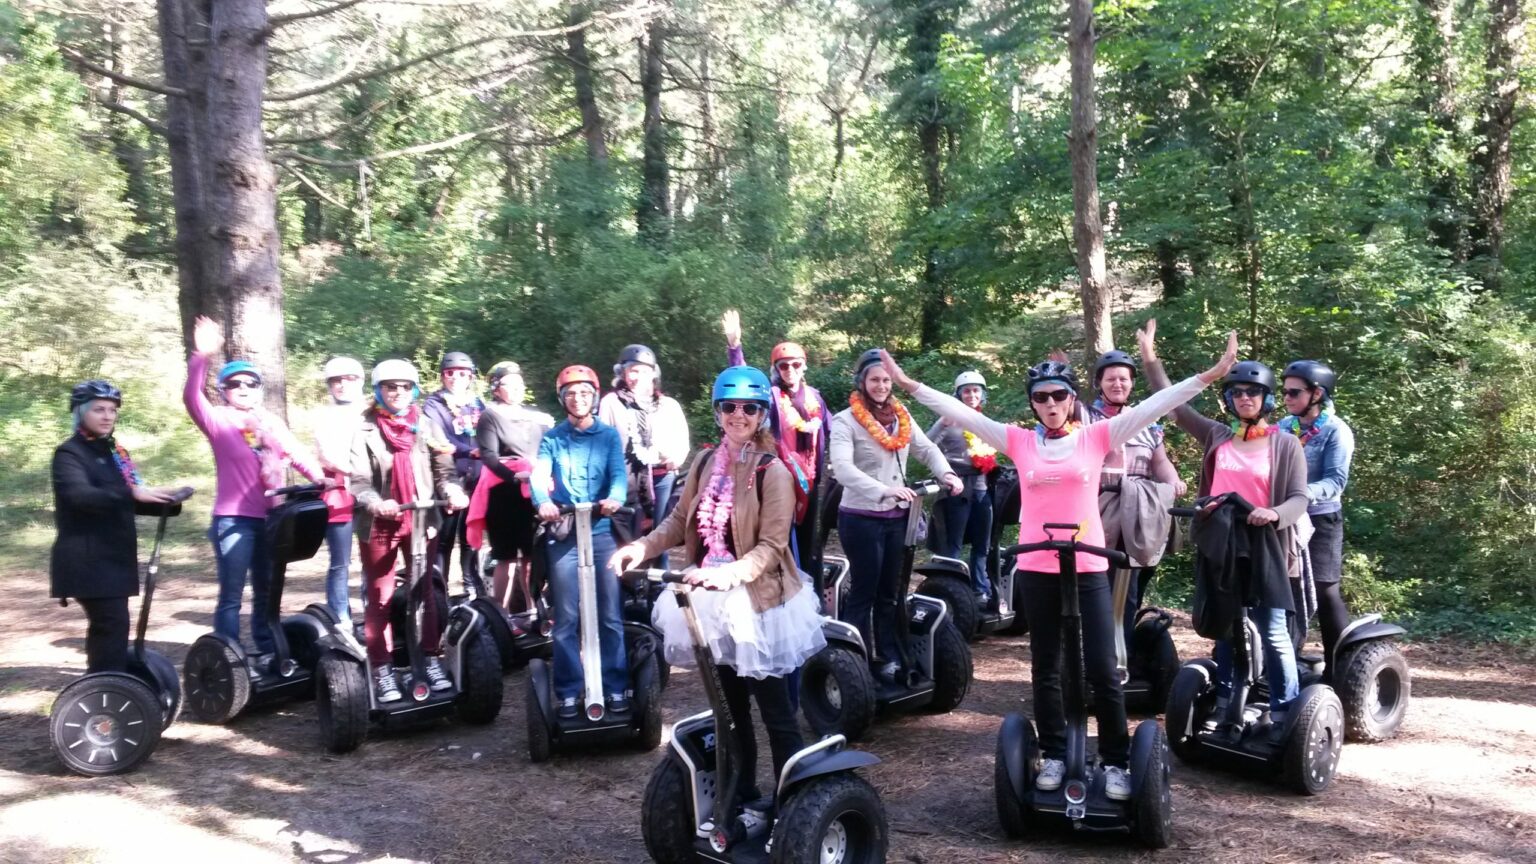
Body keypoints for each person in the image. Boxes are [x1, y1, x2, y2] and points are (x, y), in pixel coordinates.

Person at [879, 329, 1238, 802]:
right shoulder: (1022, 442)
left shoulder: (1096, 437)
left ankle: (1113, 758)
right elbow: (960, 412)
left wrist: (1208, 376)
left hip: (1088, 566)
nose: (1050, 404)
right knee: (1046, 667)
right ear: (1033, 404)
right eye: (1041, 398)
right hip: (1037, 568)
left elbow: (1156, 405)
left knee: (1105, 669)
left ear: (1071, 400)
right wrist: (909, 385)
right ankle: (1051, 752)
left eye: (1058, 396)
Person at [611, 366, 826, 806]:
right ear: (718, 411)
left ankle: (795, 802)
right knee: (729, 712)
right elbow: (677, 520)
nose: (738, 415)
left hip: (760, 604)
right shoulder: (707, 462)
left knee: (777, 713)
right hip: (710, 600)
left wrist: (729, 573)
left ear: (762, 414)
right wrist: (641, 546)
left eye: (749, 408)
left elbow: (771, 546)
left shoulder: (773, 472)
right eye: (729, 407)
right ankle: (741, 793)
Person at [1138, 320, 1308, 730]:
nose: (1244, 397)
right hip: (1222, 545)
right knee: (1226, 628)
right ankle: (1228, 698)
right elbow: (1174, 406)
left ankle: (1286, 709)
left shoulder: (1285, 443)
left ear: (1266, 399)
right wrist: (1150, 360)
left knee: (1272, 630)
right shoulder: (1217, 436)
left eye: (1252, 392)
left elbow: (1300, 499)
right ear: (1228, 400)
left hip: (1266, 544)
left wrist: (1274, 513)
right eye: (1236, 392)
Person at [184, 316, 327, 666]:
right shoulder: (218, 422)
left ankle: (266, 649)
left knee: (267, 591)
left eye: (251, 382)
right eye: (234, 383)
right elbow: (190, 398)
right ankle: (227, 658)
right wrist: (201, 357)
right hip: (233, 521)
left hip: (273, 519)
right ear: (224, 391)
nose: (244, 387)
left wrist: (323, 477)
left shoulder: (270, 424)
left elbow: (296, 453)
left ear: (260, 389)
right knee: (232, 596)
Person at [829, 349, 963, 682]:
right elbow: (843, 469)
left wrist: (946, 474)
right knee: (865, 590)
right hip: (861, 516)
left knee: (892, 591)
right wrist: (883, 490)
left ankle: (888, 656)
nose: (881, 385)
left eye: (886, 379)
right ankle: (856, 662)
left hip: (898, 517)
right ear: (862, 382)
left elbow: (926, 448)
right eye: (874, 379)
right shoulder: (845, 420)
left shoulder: (900, 414)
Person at [349, 359, 470, 703]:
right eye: (390, 387)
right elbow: (357, 480)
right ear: (379, 391)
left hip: (420, 519)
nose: (398, 393)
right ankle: (383, 667)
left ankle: (430, 658)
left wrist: (451, 491)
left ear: (414, 390)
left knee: (425, 591)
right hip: (382, 522)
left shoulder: (426, 424)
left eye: (404, 387)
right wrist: (374, 502)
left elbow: (443, 468)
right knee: (381, 597)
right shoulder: (365, 428)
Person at [51, 381, 182, 673]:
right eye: (99, 409)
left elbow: (127, 497)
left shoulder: (115, 452)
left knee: (112, 626)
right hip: (86, 559)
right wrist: (132, 494)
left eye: (112, 410)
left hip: (113, 558)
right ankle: (104, 693)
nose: (108, 416)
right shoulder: (69, 454)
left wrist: (164, 501)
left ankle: (109, 685)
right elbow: (80, 497)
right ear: (80, 412)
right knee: (110, 624)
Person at [532, 365, 628, 719]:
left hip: (600, 532)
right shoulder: (553, 438)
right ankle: (569, 690)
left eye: (585, 392)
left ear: (595, 396)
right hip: (565, 530)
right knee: (567, 617)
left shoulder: (608, 436)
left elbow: (618, 474)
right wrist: (542, 500)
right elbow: (539, 475)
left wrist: (615, 497)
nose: (578, 398)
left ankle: (616, 686)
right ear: (562, 398)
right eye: (571, 393)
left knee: (609, 614)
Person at [721, 310, 833, 576]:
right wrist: (735, 346)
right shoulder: (769, 396)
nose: (790, 370)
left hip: (810, 481)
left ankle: (810, 600)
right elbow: (743, 380)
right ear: (776, 370)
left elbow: (833, 429)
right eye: (783, 366)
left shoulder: (815, 398)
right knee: (779, 538)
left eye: (795, 364)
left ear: (804, 366)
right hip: (777, 478)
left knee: (809, 546)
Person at [1085, 350, 1186, 641]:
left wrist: (1173, 480)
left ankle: (1121, 649)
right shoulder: (1085, 420)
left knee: (1129, 587)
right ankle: (1097, 647)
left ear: (1131, 384)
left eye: (1124, 379)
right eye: (1111, 379)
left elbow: (1160, 462)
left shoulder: (1147, 423)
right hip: (1098, 510)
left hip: (1138, 510)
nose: (1118, 384)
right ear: (1099, 383)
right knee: (1100, 582)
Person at [1280, 359, 1355, 667]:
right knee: (1287, 588)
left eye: (1294, 393)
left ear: (1317, 394)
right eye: (1284, 392)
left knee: (1325, 591)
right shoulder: (1284, 427)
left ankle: (1342, 668)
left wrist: (1300, 494)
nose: (1286, 398)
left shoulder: (1336, 431)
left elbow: (1336, 481)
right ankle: (1286, 663)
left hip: (1321, 518)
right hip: (1285, 519)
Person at [474, 361, 553, 612]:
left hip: (534, 491)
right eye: (510, 384)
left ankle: (534, 609)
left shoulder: (537, 417)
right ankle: (500, 614)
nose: (517, 389)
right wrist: (513, 477)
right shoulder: (490, 416)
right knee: (505, 556)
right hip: (504, 493)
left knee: (532, 555)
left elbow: (546, 450)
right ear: (497, 389)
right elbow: (489, 456)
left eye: (520, 384)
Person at [597, 344, 689, 551]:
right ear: (623, 373)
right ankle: (629, 581)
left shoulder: (668, 405)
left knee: (662, 534)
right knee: (627, 537)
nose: (638, 376)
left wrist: (676, 457)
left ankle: (659, 582)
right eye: (633, 370)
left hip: (662, 477)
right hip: (626, 479)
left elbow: (682, 440)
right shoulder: (611, 403)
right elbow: (603, 443)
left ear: (653, 374)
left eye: (644, 371)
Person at [926, 370, 1000, 606]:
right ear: (958, 394)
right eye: (966, 391)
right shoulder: (948, 418)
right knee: (954, 543)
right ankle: (951, 590)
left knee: (982, 542)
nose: (971, 395)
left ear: (982, 394)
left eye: (976, 390)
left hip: (982, 486)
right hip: (957, 488)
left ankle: (980, 589)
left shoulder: (982, 421)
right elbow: (926, 445)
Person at [422, 351, 485, 596]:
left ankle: (472, 587)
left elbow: (488, 431)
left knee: (471, 536)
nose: (456, 378)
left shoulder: (478, 403)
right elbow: (438, 439)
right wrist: (471, 452)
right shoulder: (434, 404)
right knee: (444, 539)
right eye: (450, 373)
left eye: (462, 373)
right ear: (442, 376)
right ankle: (439, 592)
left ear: (470, 376)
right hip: (450, 476)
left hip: (477, 477)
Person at [313, 356, 365, 628]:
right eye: (336, 380)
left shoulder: (372, 411)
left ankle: (374, 612)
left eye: (348, 379)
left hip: (372, 492)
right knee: (340, 561)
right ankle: (340, 616)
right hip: (339, 492)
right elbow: (326, 454)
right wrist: (354, 471)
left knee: (374, 557)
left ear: (360, 380)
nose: (342, 385)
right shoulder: (325, 415)